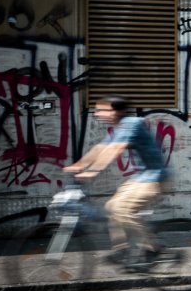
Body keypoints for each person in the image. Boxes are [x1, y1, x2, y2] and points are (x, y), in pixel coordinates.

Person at [63, 97, 170, 267]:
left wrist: (92, 172)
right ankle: (122, 251)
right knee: (112, 207)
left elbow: (115, 149)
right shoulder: (120, 128)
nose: (98, 114)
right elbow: (100, 148)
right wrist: (79, 166)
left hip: (155, 178)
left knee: (123, 210)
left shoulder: (132, 123)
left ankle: (152, 248)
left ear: (117, 111)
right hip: (142, 178)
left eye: (102, 110)